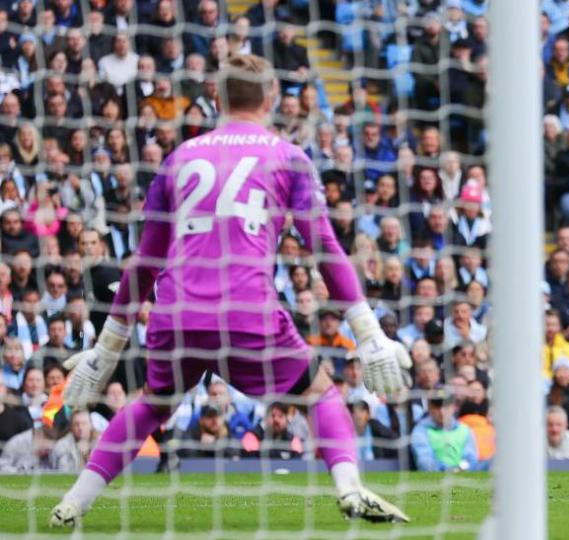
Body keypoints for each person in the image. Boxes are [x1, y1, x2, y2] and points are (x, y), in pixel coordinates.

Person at [50, 56, 410, 527]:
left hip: (177, 312)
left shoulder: (181, 157)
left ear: (217, 98)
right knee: (320, 394)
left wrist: (106, 348)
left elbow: (144, 261)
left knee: (151, 404)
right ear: (272, 96)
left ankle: (74, 501)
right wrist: (368, 333)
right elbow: (325, 249)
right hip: (246, 310)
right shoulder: (287, 157)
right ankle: (349, 488)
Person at [410, 393, 478, 472]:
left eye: (446, 406)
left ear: (454, 407)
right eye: (437, 406)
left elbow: (471, 459)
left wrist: (459, 469)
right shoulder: (420, 430)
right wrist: (449, 471)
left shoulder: (465, 430)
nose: (442, 411)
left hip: (462, 477)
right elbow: (424, 461)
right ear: (429, 407)